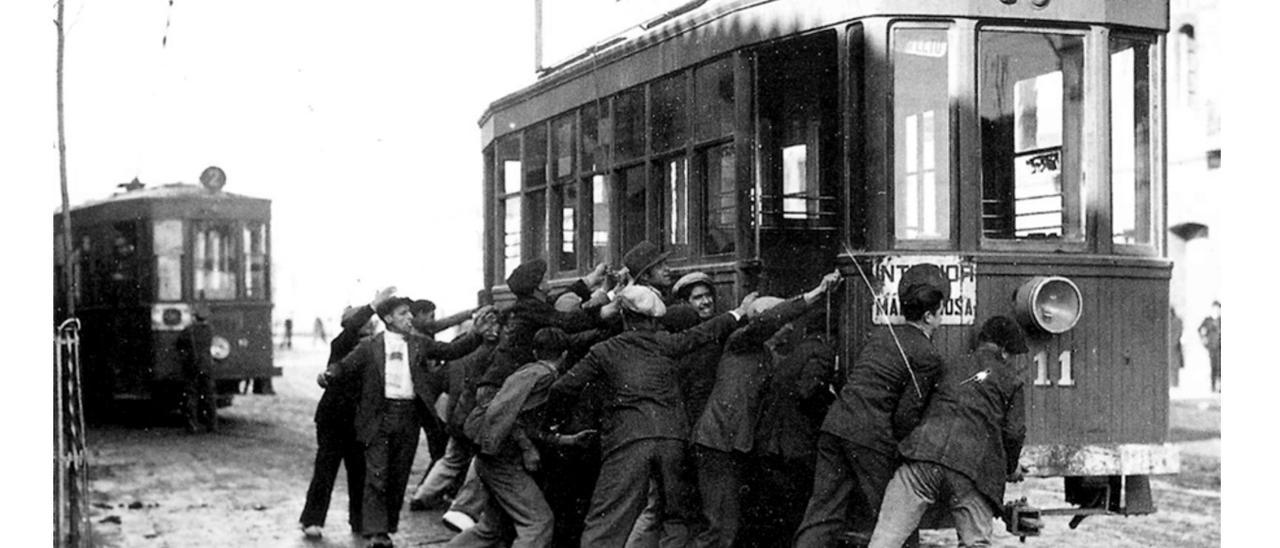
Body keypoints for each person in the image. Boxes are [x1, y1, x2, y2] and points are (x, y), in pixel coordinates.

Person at [551, 284, 759, 547]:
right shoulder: (666, 342)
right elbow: (703, 332)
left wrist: (557, 423)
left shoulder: (604, 351)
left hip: (629, 442)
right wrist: (738, 312)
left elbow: (562, 388)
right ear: (653, 318)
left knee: (607, 521)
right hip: (673, 441)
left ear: (624, 316)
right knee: (676, 519)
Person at [793, 264, 950, 547]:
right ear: (929, 316)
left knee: (823, 511)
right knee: (898, 512)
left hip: (836, 425)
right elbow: (905, 415)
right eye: (941, 311)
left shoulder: (882, 335)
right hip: (870, 437)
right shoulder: (928, 355)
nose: (942, 317)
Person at [323, 296, 494, 548]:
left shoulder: (419, 343)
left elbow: (451, 351)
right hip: (379, 417)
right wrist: (328, 374)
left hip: (409, 417)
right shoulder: (370, 346)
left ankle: (387, 527)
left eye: (409, 313)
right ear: (388, 318)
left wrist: (476, 335)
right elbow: (345, 366)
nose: (409, 318)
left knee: (398, 475)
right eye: (403, 313)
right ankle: (376, 533)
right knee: (377, 476)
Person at [692, 271, 841, 548]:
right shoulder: (740, 342)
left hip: (737, 447)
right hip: (719, 444)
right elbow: (768, 321)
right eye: (782, 321)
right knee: (719, 530)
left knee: (731, 528)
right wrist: (813, 295)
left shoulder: (768, 356)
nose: (788, 327)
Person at [867, 316, 1030, 548]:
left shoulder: (950, 364)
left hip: (922, 460)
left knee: (884, 540)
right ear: (1004, 351)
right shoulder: (1012, 381)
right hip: (972, 471)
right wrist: (1009, 467)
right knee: (976, 545)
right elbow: (1014, 433)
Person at [446, 327, 597, 547]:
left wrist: (566, 440)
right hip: (504, 460)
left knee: (492, 528)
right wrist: (527, 448)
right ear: (565, 355)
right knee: (539, 523)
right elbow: (512, 417)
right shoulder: (544, 377)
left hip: (491, 457)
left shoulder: (527, 371)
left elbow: (522, 422)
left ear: (535, 352)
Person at [299, 286, 394, 539]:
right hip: (334, 420)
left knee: (358, 471)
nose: (368, 326)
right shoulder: (342, 343)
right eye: (364, 322)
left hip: (358, 421)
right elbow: (353, 326)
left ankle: (359, 520)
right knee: (326, 469)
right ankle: (312, 520)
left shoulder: (375, 348)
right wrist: (373, 306)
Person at [744, 311, 838, 547]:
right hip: (794, 444)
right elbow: (807, 391)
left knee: (777, 511)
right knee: (797, 509)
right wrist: (831, 405)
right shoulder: (823, 350)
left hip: (772, 441)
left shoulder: (798, 351)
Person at [178, 304, 217, 433]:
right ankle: (212, 425)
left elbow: (179, 343)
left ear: (195, 317)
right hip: (207, 365)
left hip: (192, 365)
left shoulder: (188, 330)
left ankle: (192, 426)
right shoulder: (210, 330)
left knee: (191, 395)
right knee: (209, 395)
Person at [1198, 301, 1221, 393]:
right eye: (1214, 309)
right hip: (1212, 347)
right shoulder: (1208, 320)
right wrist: (1204, 339)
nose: (1216, 311)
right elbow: (1200, 330)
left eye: (1218, 309)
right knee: (1213, 366)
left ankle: (1220, 386)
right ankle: (1213, 386)